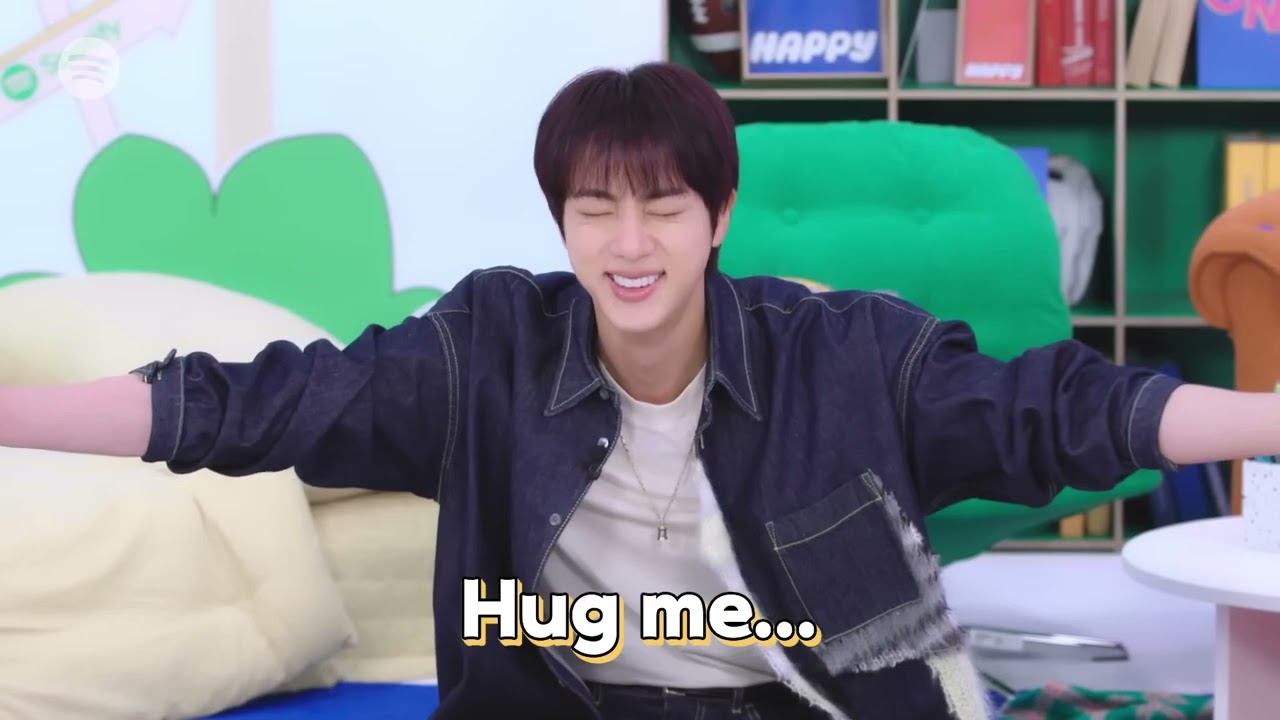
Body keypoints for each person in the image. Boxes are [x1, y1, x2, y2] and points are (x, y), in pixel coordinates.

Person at [0, 62, 1276, 720]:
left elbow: (1064, 409)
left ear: (716, 215)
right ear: (559, 221)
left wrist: (1266, 419)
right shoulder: (487, 347)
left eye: (662, 205)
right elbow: (249, 404)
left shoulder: (839, 352)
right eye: (594, 207)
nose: (628, 243)